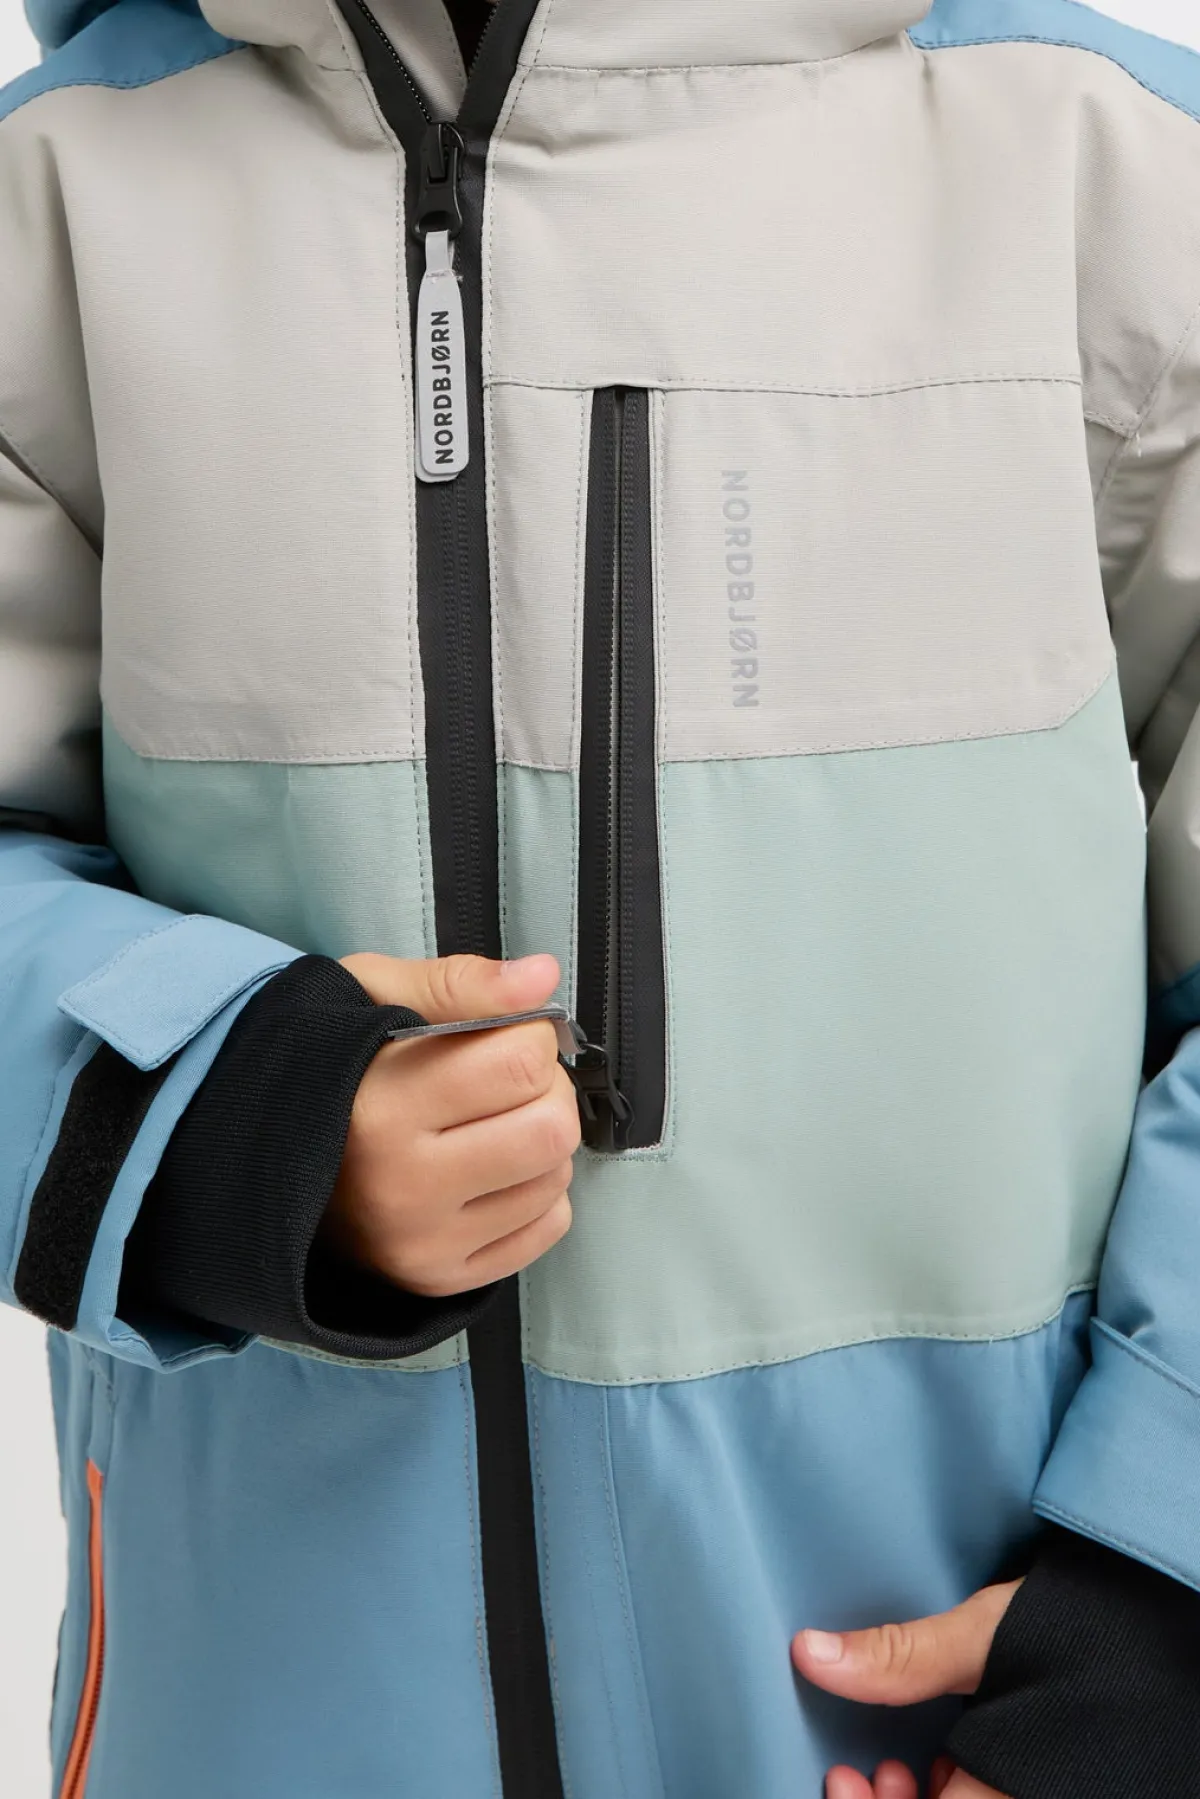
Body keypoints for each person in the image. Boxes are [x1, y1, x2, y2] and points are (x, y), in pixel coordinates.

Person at [2, 0, 1199, 1793]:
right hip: (274, 1707)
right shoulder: (62, 203)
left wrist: (1159, 1607)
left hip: (924, 1706)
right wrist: (233, 1120)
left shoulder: (1106, 173)